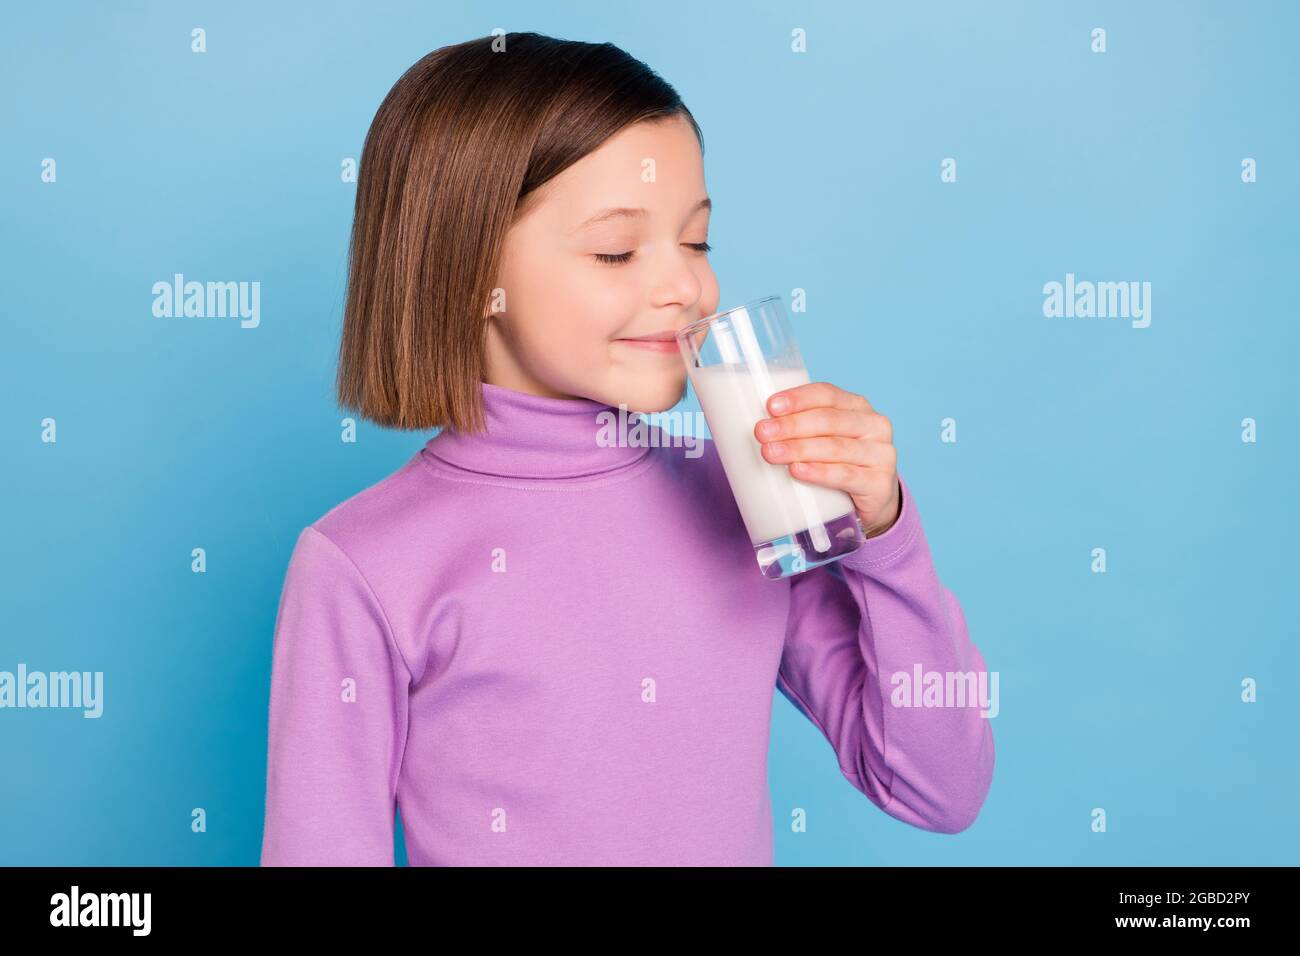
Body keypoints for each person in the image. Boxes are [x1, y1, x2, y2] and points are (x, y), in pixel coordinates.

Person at [258, 31, 994, 866]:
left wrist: (887, 543)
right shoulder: (361, 566)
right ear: (467, 271)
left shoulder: (743, 497)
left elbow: (939, 790)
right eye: (616, 249)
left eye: (697, 240)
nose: (686, 286)